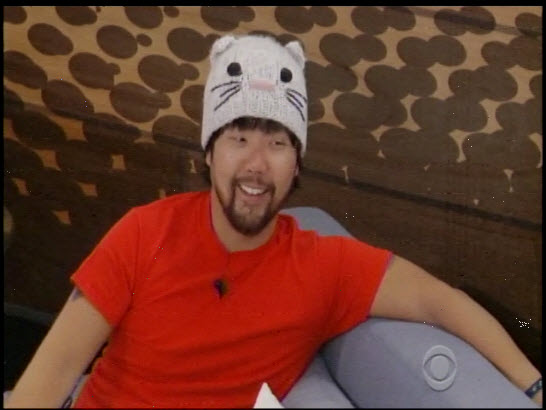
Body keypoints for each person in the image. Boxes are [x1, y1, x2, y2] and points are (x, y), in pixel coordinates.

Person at [5, 34, 542, 408]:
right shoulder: (145, 232)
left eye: (278, 143)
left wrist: (533, 387)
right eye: (238, 137)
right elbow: (53, 372)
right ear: (209, 152)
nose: (256, 164)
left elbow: (439, 301)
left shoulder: (323, 267)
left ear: (297, 164)